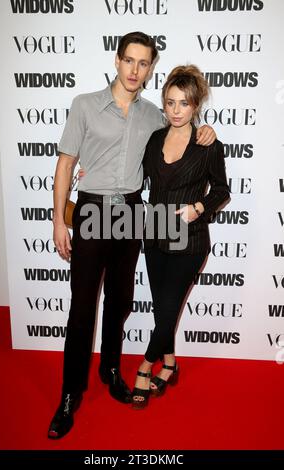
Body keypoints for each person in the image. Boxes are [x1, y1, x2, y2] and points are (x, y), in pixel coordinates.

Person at [48, 32, 216, 439]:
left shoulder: (154, 117)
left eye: (144, 64)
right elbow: (67, 165)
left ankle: (109, 369)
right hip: (91, 209)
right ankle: (70, 395)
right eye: (129, 61)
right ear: (117, 60)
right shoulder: (84, 105)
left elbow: (181, 132)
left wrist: (205, 130)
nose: (135, 70)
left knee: (121, 300)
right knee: (83, 306)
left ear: (151, 68)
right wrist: (57, 220)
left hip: (133, 211)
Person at [131, 64, 230, 409]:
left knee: (168, 307)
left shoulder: (208, 144)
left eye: (183, 104)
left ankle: (146, 366)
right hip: (156, 235)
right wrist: (95, 170)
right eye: (170, 102)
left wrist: (198, 208)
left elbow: (221, 190)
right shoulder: (155, 138)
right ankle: (170, 364)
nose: (175, 111)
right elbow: (133, 170)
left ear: (196, 105)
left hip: (190, 240)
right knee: (164, 311)